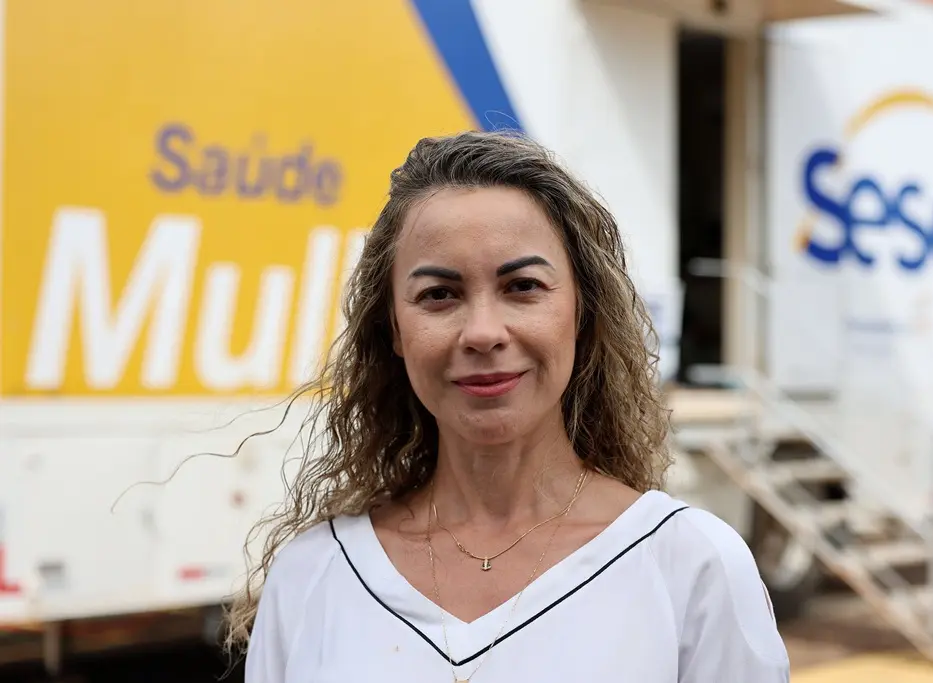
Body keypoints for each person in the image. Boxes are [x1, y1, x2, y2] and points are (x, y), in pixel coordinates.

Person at [230, 131, 791, 682]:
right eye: (439, 295)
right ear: (394, 330)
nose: (482, 332)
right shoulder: (312, 576)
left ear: (582, 312)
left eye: (522, 286)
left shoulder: (690, 566)